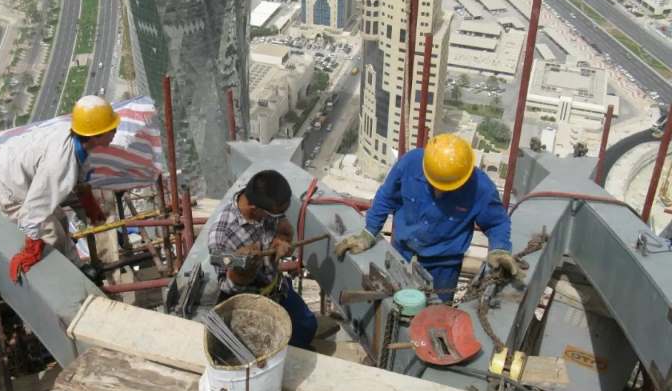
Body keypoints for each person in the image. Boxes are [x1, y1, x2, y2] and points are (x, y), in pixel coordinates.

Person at [336, 134, 519, 301]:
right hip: (401, 253)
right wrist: (369, 232)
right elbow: (386, 196)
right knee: (393, 305)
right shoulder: (410, 164)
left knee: (434, 320)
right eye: (435, 185)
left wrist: (499, 249)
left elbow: (497, 223)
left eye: (447, 188)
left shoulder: (481, 188)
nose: (439, 192)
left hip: (443, 266)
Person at [0, 95, 120, 283]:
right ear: (94, 135)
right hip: (7, 187)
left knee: (61, 218)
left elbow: (79, 168)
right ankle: (68, 278)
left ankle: (77, 267)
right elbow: (33, 213)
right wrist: (30, 251)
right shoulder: (59, 164)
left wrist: (88, 201)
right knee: (51, 233)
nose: (115, 131)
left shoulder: (76, 139)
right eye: (110, 129)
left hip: (15, 168)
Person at [208, 170, 318, 349]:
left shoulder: (266, 202)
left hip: (276, 287)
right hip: (250, 303)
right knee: (267, 347)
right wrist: (243, 270)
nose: (278, 217)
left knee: (307, 328)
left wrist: (281, 241)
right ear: (254, 208)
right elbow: (227, 286)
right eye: (274, 215)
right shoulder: (221, 237)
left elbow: (281, 227)